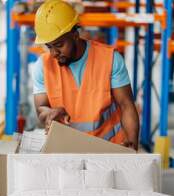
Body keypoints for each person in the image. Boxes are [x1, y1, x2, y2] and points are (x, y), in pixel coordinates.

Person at [32, 0, 140, 150]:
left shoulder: (110, 59)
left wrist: (132, 148)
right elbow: (41, 108)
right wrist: (49, 113)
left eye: (59, 45)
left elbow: (126, 106)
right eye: (49, 46)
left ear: (75, 35)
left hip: (108, 148)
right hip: (67, 150)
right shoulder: (43, 67)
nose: (53, 53)